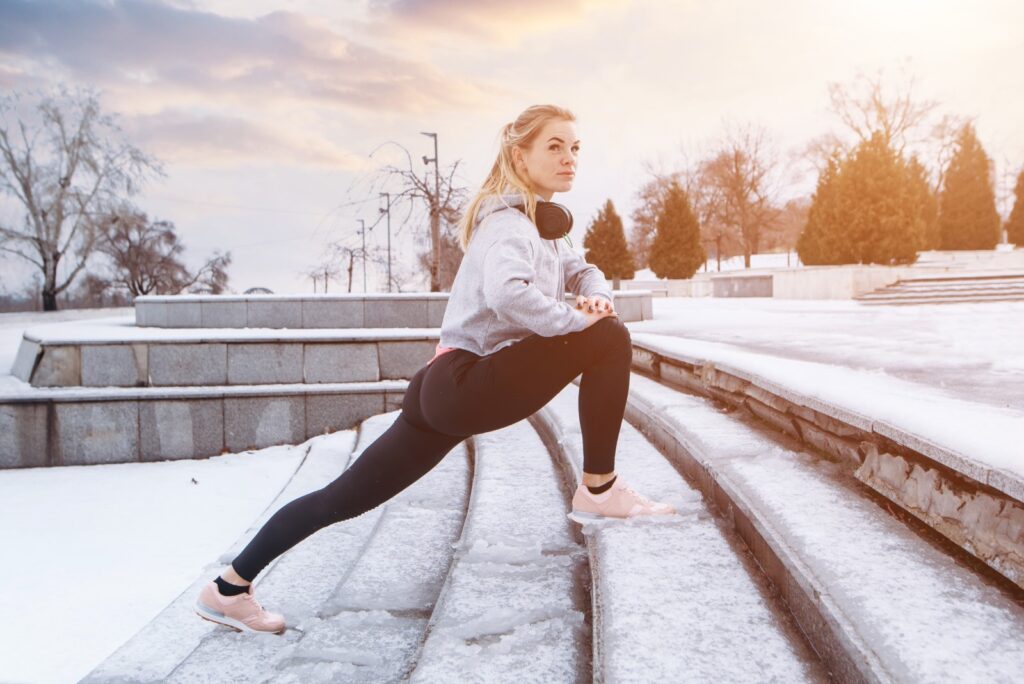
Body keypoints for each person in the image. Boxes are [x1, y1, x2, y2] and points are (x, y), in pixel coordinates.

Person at [193, 104, 675, 635]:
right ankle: (600, 488)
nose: (569, 158)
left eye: (575, 148)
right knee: (608, 339)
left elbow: (582, 271)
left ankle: (229, 588)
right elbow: (507, 293)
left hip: (440, 388)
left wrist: (596, 298)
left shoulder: (545, 228)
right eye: (554, 147)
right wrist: (577, 321)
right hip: (466, 382)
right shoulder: (509, 225)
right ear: (520, 157)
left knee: (343, 497)